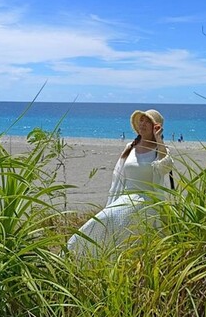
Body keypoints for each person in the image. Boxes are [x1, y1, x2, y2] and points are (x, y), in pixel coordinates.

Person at [66, 109, 173, 258]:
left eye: (148, 121)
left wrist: (158, 139)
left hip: (148, 201)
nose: (143, 124)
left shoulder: (160, 149)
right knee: (102, 221)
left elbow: (165, 166)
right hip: (126, 198)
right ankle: (76, 254)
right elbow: (118, 176)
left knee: (119, 225)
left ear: (157, 127)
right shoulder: (130, 147)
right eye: (141, 120)